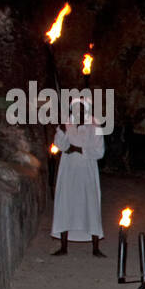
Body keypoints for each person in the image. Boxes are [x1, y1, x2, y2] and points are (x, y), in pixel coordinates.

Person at [50, 99, 106, 256]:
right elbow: (61, 146)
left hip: (87, 170)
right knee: (66, 203)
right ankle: (63, 246)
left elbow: (99, 151)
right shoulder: (67, 124)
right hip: (68, 170)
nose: (78, 112)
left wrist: (78, 149)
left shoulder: (95, 125)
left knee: (91, 203)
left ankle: (95, 247)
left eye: (81, 109)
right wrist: (60, 131)